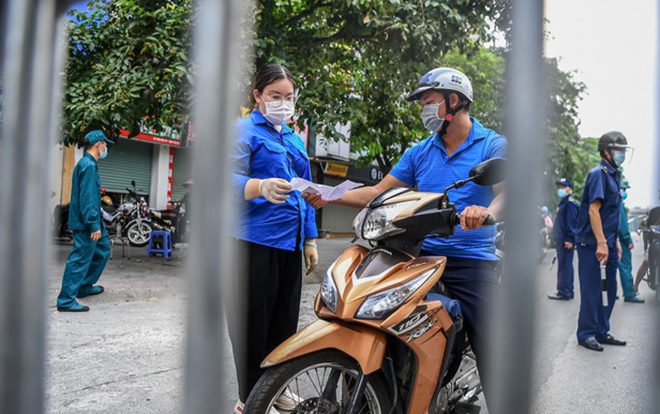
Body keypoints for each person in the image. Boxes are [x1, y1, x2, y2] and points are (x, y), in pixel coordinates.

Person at [305, 67, 506, 397]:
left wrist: (486, 212)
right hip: (418, 257)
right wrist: (330, 194)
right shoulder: (421, 151)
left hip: (469, 262)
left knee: (493, 349)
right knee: (373, 315)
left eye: (428, 101)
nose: (423, 109)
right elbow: (378, 193)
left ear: (453, 101)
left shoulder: (491, 144)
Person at [228, 63, 319, 414]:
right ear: (257, 96)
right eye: (275, 96)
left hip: (289, 244)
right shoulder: (243, 130)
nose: (283, 103)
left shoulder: (294, 139)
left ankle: (275, 389)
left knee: (283, 327)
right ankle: (248, 398)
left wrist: (309, 240)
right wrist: (259, 186)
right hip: (252, 243)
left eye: (289, 97)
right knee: (252, 325)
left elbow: (307, 192)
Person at [575, 131, 631, 351]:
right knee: (592, 291)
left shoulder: (614, 175)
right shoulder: (599, 173)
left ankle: (601, 330)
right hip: (592, 244)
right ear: (606, 151)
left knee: (609, 289)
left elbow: (611, 214)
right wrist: (600, 242)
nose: (622, 154)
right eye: (619, 150)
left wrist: (613, 240)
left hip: (608, 242)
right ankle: (586, 333)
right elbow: (594, 210)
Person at [56, 130, 113, 312]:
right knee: (80, 257)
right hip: (86, 222)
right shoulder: (88, 166)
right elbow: (87, 198)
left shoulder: (89, 165)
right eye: (105, 143)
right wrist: (93, 224)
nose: (106, 147)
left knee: (103, 249)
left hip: (93, 219)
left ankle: (84, 285)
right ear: (98, 144)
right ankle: (66, 300)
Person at [548, 178, 579, 300]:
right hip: (562, 240)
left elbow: (571, 222)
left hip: (566, 240)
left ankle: (565, 291)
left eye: (563, 187)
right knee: (564, 265)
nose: (560, 189)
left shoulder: (570, 203)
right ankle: (565, 290)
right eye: (559, 187)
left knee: (565, 266)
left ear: (569, 189)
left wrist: (570, 239)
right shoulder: (564, 202)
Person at [618, 179, 643, 303]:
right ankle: (629, 293)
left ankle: (609, 292)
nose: (624, 192)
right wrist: (628, 241)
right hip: (621, 242)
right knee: (625, 267)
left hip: (612, 240)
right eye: (623, 190)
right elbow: (623, 227)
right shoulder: (619, 205)